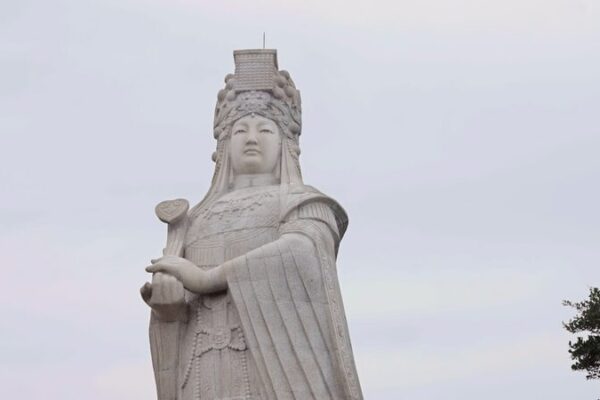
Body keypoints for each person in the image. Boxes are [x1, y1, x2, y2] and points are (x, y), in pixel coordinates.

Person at [141, 50, 363, 400]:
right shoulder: (196, 220)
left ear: (285, 142)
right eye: (240, 130)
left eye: (265, 129)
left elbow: (302, 252)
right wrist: (169, 310)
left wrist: (207, 278)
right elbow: (179, 315)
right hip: (203, 372)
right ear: (224, 144)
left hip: (270, 372)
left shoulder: (302, 203)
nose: (252, 138)